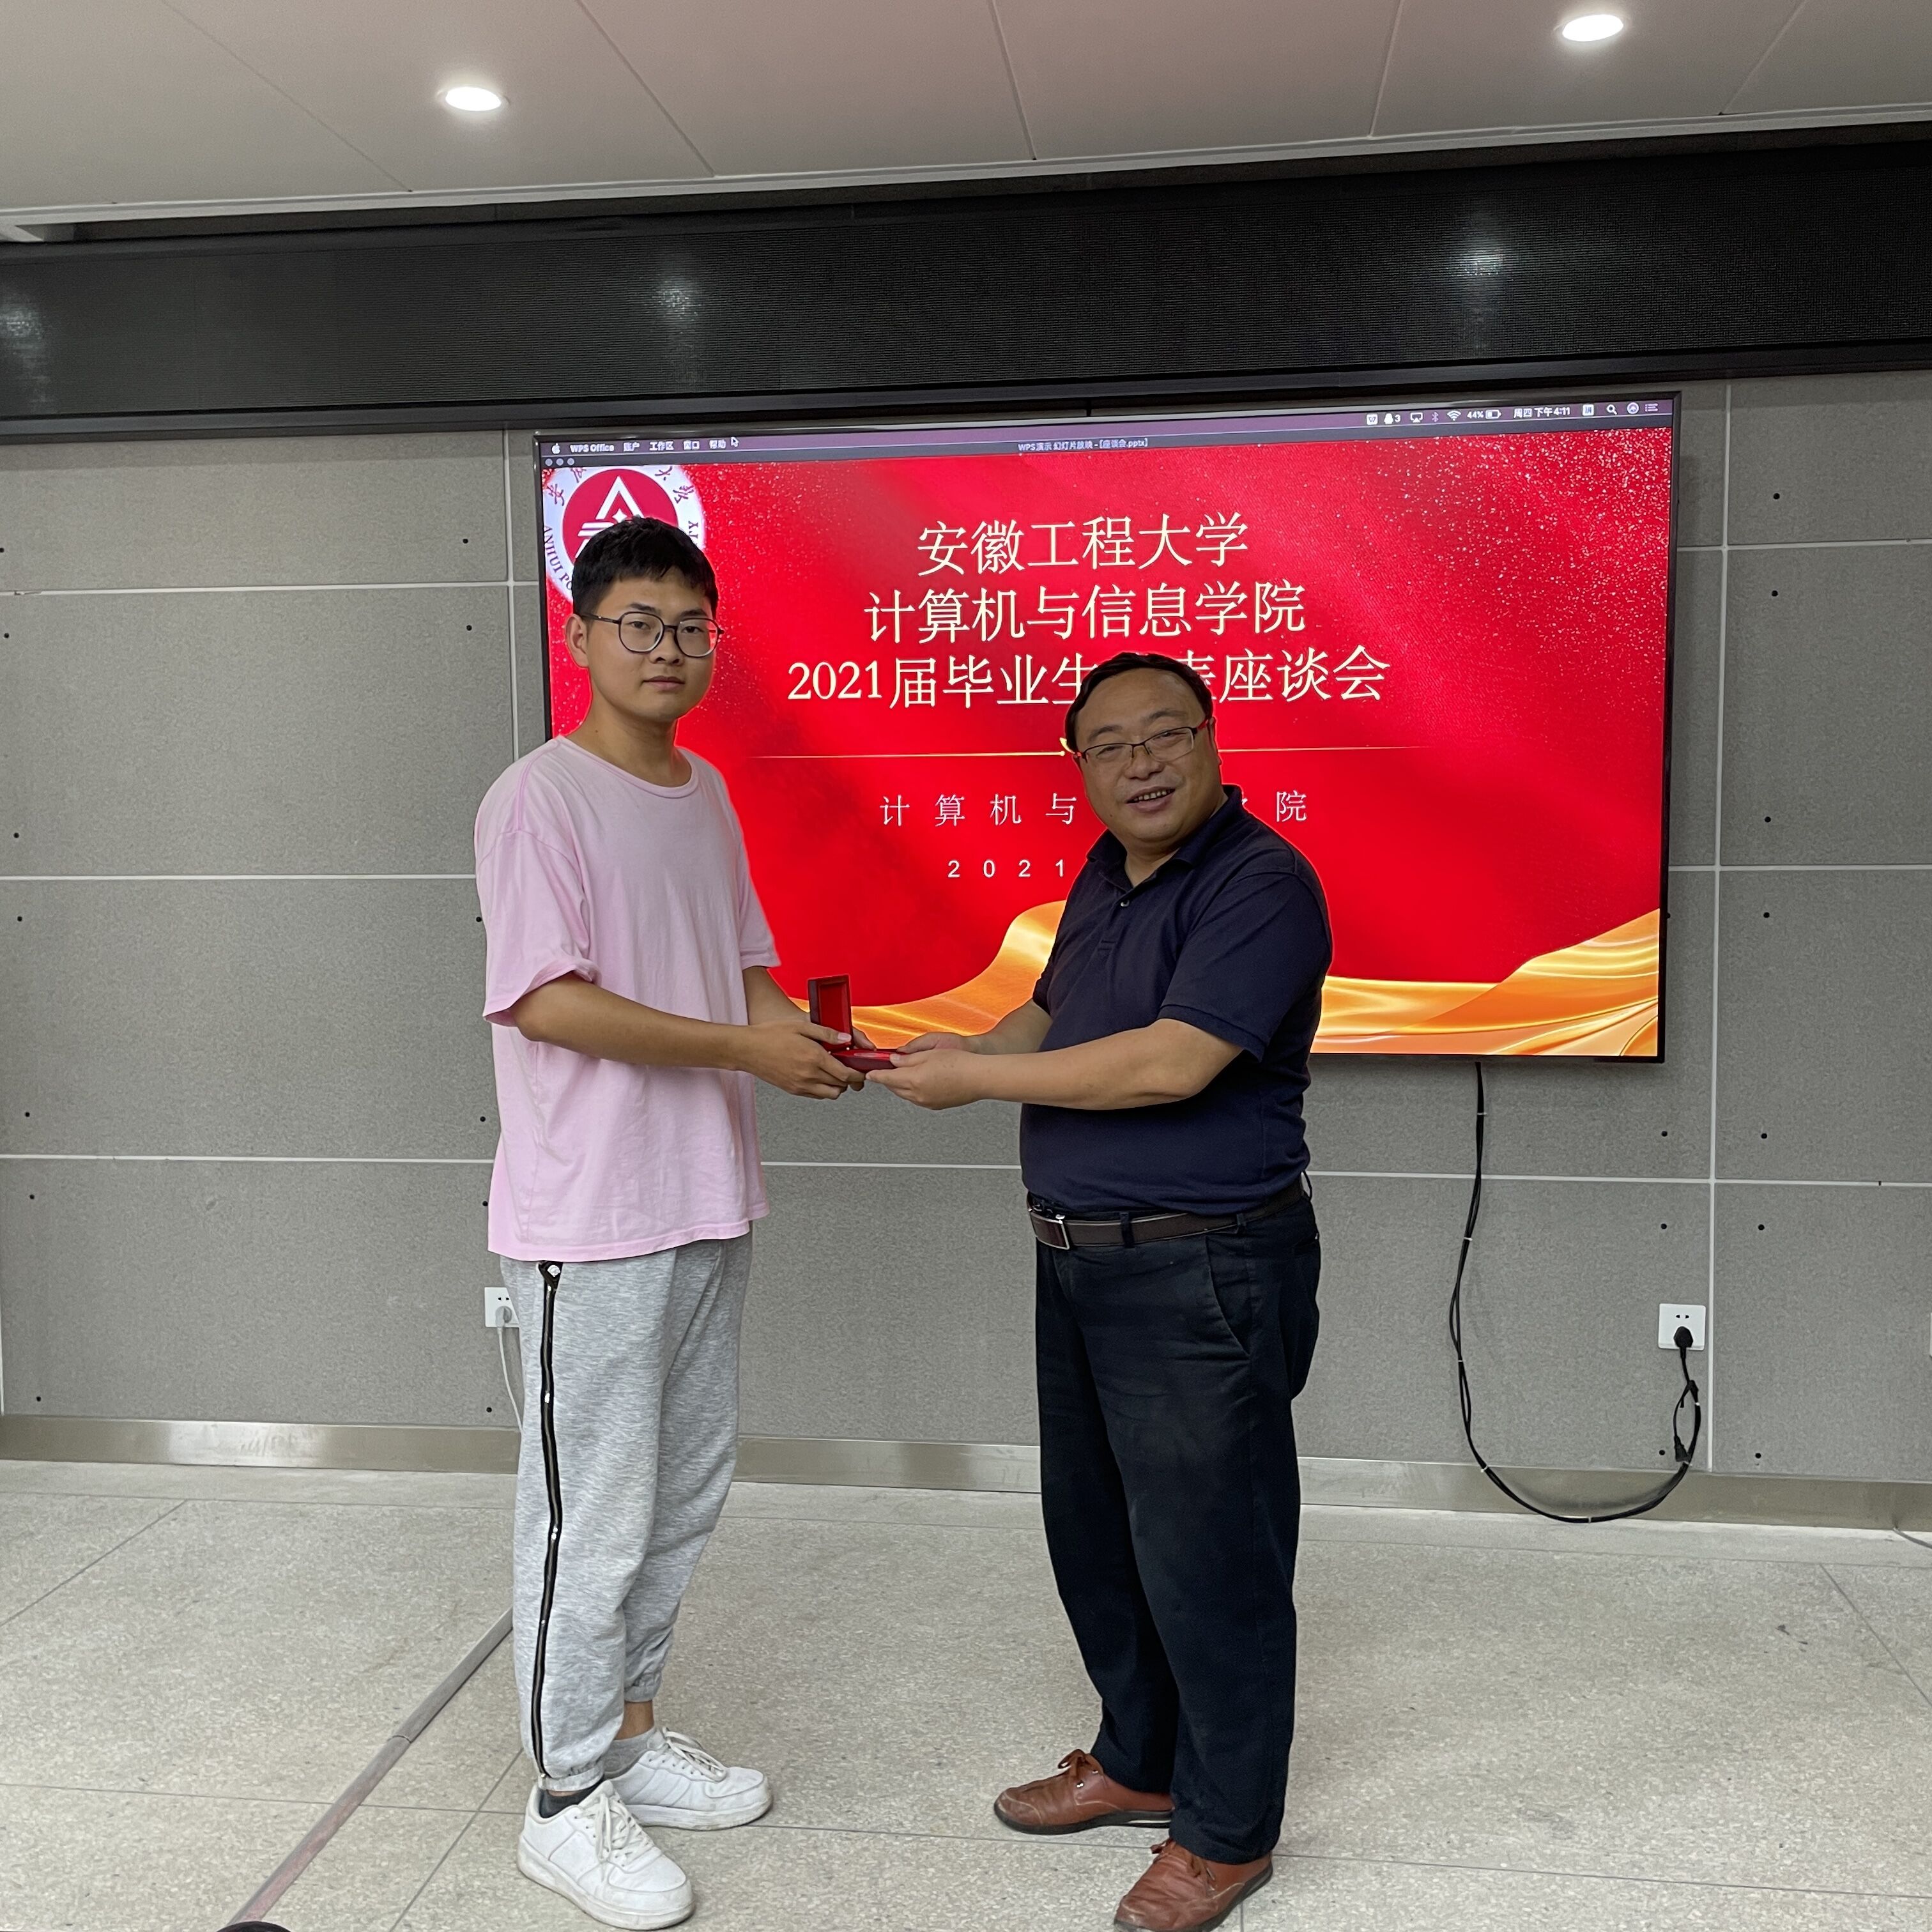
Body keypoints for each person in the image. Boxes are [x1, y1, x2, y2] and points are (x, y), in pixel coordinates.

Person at [872, 651, 1330, 1932]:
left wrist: (980, 1083)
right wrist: (957, 1055)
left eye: (1164, 733)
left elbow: (1173, 1064)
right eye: (1110, 745)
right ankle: (1140, 1761)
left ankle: (1227, 1835)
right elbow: (1052, 1013)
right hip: (1080, 1260)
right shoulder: (1105, 875)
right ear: (1079, 767)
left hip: (1203, 1265)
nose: (1141, 763)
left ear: (1213, 739)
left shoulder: (1260, 883)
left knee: (1213, 1559)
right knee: (1103, 1537)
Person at [475, 516, 862, 1929]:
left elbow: (746, 971)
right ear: (581, 636)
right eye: (639, 623)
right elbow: (546, 1000)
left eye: (692, 627)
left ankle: (629, 1735)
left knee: (680, 1493)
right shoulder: (539, 799)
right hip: (590, 1216)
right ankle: (564, 1796)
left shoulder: (705, 795)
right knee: (589, 1515)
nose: (668, 648)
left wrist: (795, 1042)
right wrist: (743, 1049)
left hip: (705, 1192)